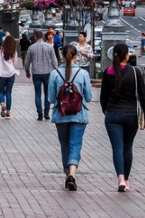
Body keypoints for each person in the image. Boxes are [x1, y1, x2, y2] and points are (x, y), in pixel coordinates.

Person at [100, 42, 145, 192]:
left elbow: (103, 96)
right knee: (127, 148)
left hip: (112, 115)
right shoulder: (135, 72)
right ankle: (126, 180)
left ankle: (120, 178)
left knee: (117, 148)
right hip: (131, 116)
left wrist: (105, 109)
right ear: (127, 55)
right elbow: (143, 95)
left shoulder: (108, 72)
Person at [47, 44, 92, 191]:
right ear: (75, 56)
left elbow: (51, 99)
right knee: (75, 144)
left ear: (62, 56)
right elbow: (89, 97)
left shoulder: (54, 74)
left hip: (61, 114)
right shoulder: (83, 73)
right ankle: (72, 173)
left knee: (65, 145)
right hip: (79, 115)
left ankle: (67, 175)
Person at [24, 30, 58, 121]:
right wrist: (56, 70)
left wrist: (27, 71)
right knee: (47, 93)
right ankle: (46, 112)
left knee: (37, 94)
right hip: (47, 72)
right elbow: (54, 61)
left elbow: (27, 62)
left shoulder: (31, 48)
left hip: (36, 73)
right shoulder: (49, 47)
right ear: (43, 37)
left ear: (35, 37)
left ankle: (39, 114)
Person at [0, 34, 19, 118]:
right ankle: (8, 112)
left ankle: (2, 104)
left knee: (1, 92)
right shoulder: (14, 52)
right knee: (9, 92)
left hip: (1, 74)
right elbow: (15, 64)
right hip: (11, 73)